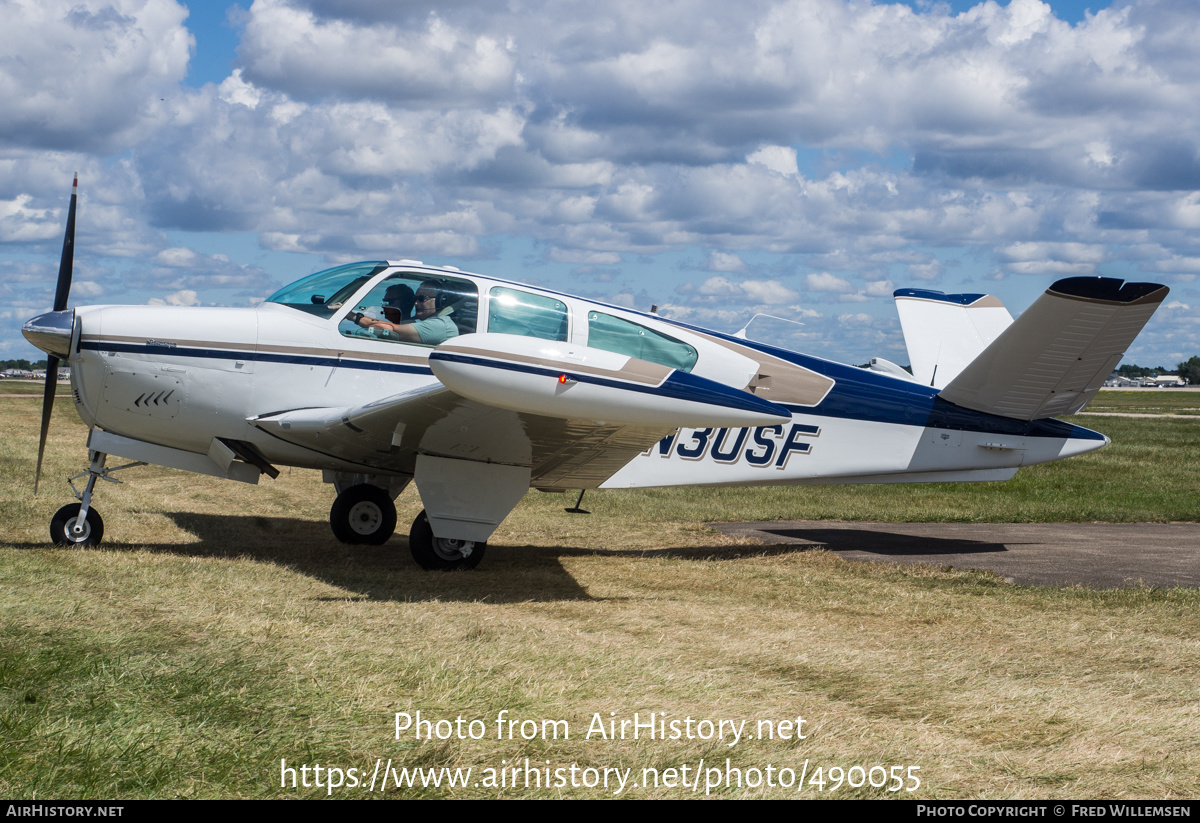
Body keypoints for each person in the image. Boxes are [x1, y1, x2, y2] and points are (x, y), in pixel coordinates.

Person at [353, 280, 459, 345]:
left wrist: (355, 317)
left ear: (441, 301)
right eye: (415, 299)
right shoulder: (414, 322)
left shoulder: (440, 325)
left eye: (421, 299)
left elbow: (390, 329)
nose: (416, 303)